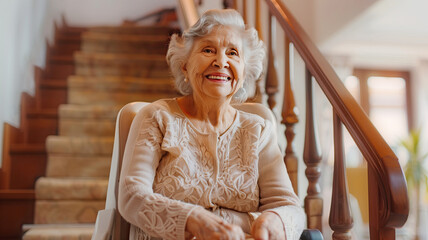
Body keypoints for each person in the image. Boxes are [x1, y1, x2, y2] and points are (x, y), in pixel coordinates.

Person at [118, 9, 305, 240]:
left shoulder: (258, 129)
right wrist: (194, 219)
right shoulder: (157, 117)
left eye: (233, 53)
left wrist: (273, 219)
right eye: (208, 50)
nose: (221, 62)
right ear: (185, 65)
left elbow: (290, 207)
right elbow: (132, 196)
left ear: (244, 71)